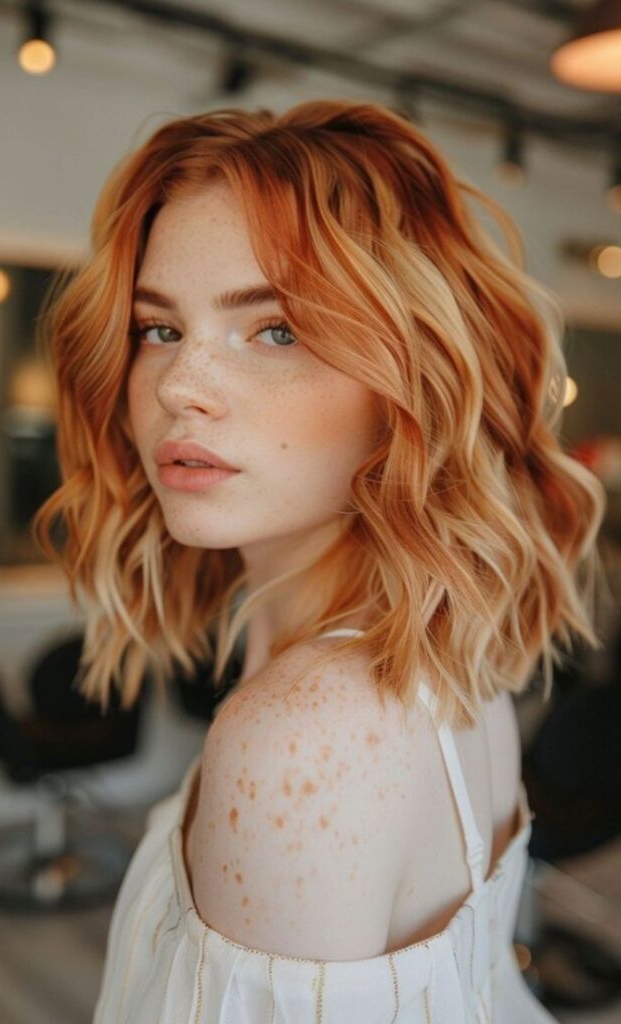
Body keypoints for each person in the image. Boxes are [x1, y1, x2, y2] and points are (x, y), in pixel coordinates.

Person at [34, 98, 606, 1023]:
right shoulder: (439, 653)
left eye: (278, 330)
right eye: (158, 328)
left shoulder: (301, 736)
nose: (180, 386)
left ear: (409, 380)